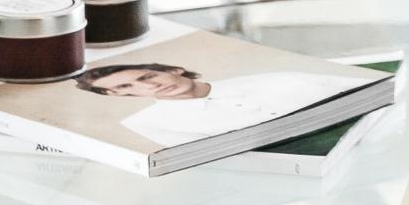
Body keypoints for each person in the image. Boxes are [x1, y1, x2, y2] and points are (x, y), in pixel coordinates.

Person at [75, 63, 374, 147]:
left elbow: (371, 92)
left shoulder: (275, 77)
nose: (150, 86)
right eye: (126, 86)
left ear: (173, 69)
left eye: (148, 75)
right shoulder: (147, 124)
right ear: (116, 96)